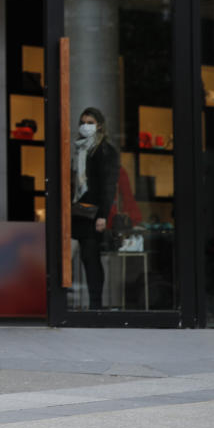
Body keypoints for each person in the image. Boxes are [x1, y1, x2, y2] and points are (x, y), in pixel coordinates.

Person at [70, 107, 120, 310]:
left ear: (99, 125)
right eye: (83, 122)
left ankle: (95, 305)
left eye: (90, 122)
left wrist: (102, 215)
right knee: (76, 257)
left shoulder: (105, 150)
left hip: (93, 214)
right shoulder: (80, 149)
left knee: (90, 258)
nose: (85, 126)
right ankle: (72, 302)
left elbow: (108, 186)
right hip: (78, 212)